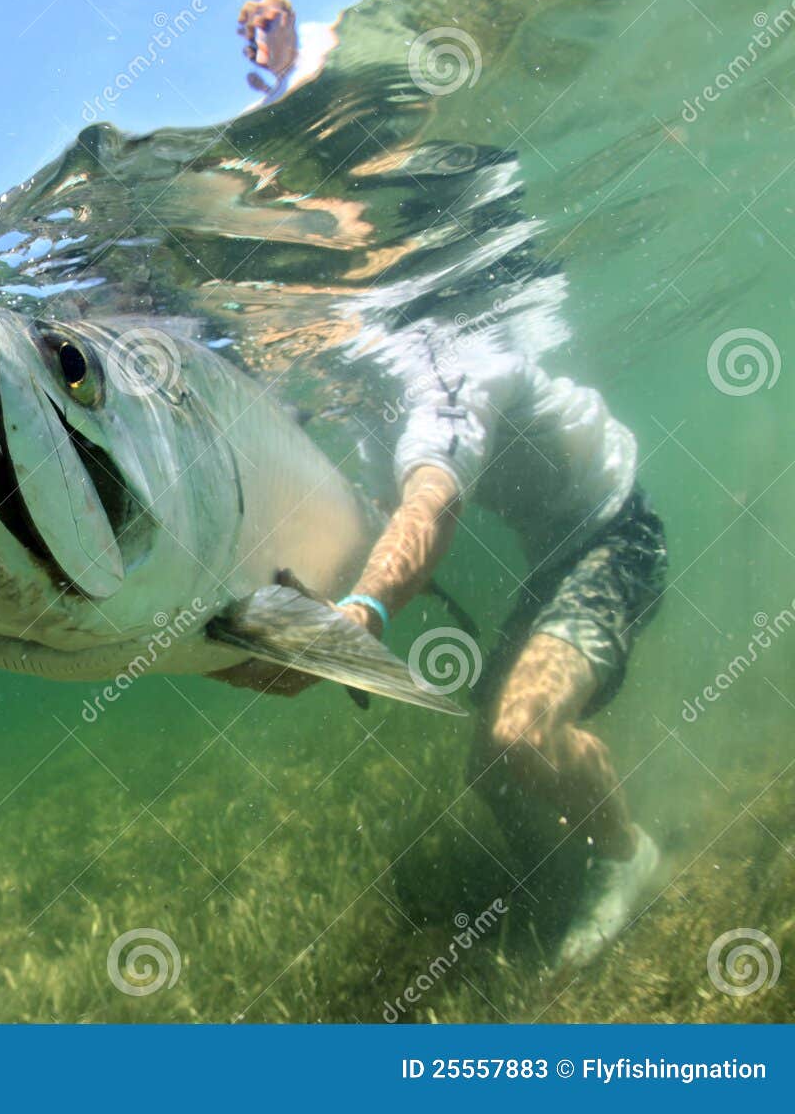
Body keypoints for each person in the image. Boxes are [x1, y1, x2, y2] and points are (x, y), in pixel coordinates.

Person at [251, 345, 667, 969]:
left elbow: (431, 506)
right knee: (492, 771)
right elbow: (383, 521)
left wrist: (362, 613)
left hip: (616, 536)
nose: (304, 347)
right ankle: (554, 871)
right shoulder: (372, 400)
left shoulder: (445, 363)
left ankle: (624, 853)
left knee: (525, 734)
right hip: (555, 561)